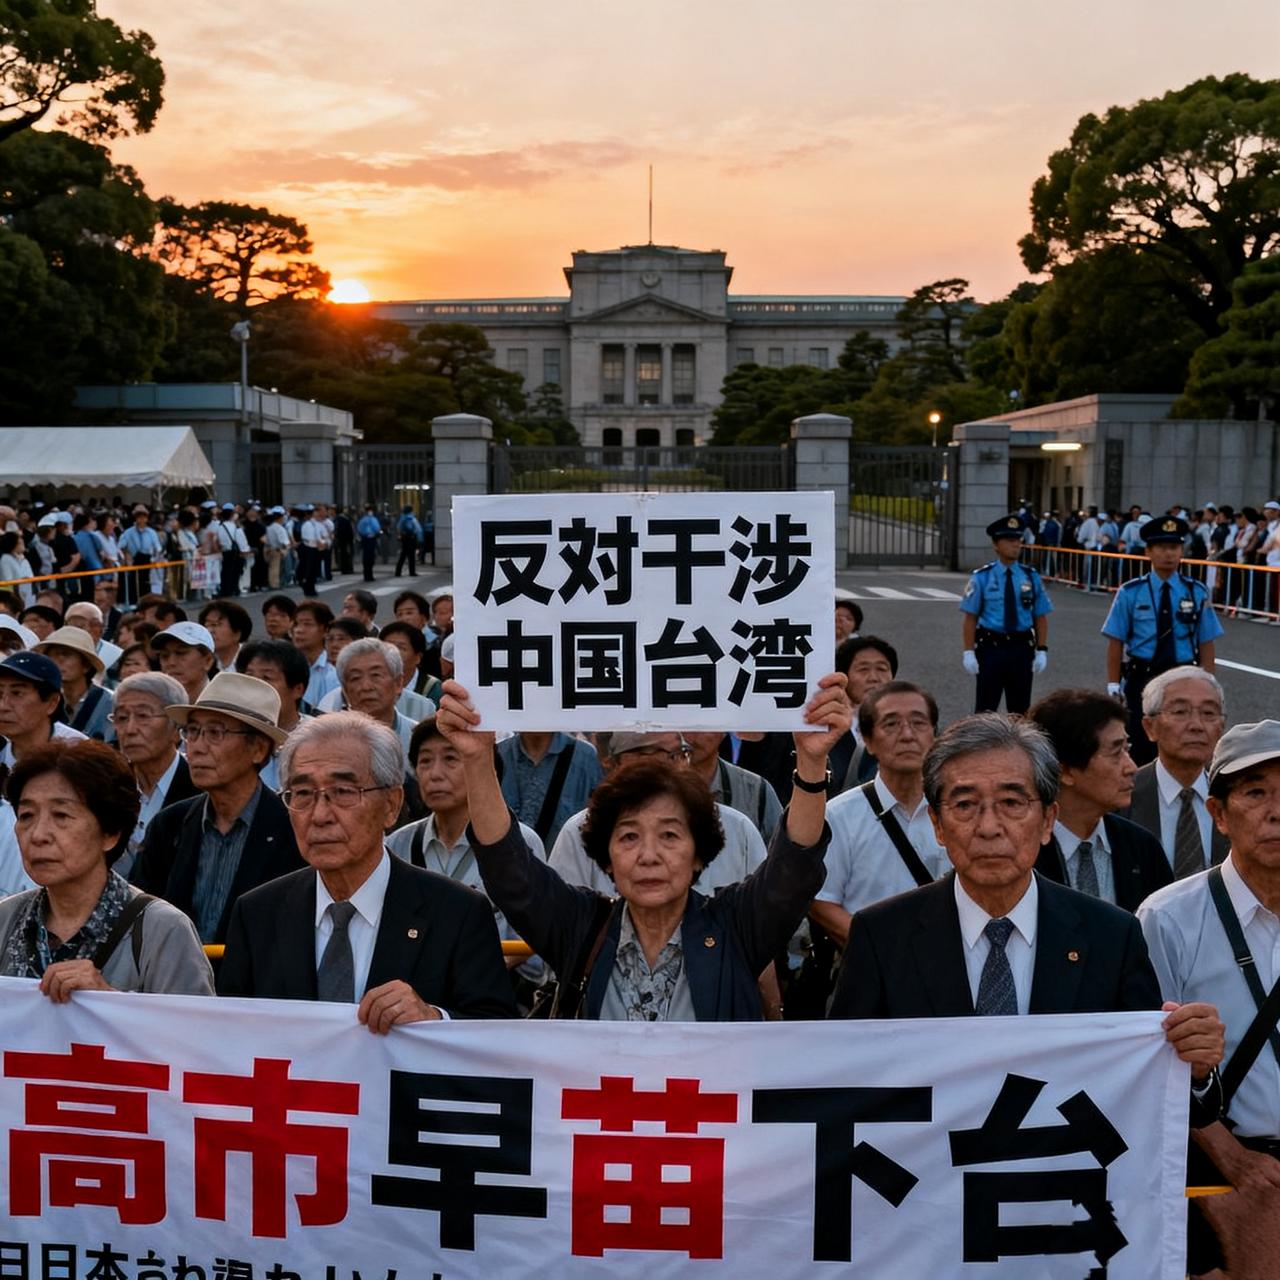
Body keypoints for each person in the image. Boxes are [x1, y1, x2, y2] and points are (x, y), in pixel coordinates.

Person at [826, 713, 1224, 1112]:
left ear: (1048, 819)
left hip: (1063, 1169)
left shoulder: (1111, 936)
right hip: (927, 1169)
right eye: (964, 805)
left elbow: (1147, 1090)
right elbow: (846, 1080)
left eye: (1012, 803)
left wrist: (1194, 1070)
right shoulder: (882, 935)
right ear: (938, 824)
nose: (989, 827)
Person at [438, 674, 850, 1021]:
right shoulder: (582, 928)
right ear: (607, 859)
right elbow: (510, 871)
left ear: (700, 855)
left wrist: (812, 765)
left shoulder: (735, 927)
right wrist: (477, 759)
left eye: (670, 836)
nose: (648, 856)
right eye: (629, 836)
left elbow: (792, 871)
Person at [217, 712, 516, 1022]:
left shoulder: (457, 913)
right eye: (303, 794)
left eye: (343, 792)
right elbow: (233, 1035)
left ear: (391, 805)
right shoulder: (257, 914)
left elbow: (496, 1034)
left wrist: (434, 1019)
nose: (320, 815)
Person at [1138, 720, 1280, 1276]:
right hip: (1220, 1170)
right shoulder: (1167, 918)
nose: (1275, 812)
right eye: (1255, 793)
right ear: (1219, 815)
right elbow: (1151, 1067)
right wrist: (1236, 1162)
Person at [0, 739, 214, 997]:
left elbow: (195, 1033)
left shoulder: (163, 929)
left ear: (110, 833)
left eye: (61, 816)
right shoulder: (7, 919)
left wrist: (108, 999)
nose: (38, 835)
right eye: (26, 816)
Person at [131, 673, 302, 945]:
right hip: (173, 982)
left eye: (215, 732)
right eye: (193, 731)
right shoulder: (170, 825)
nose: (197, 747)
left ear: (258, 749)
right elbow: (139, 916)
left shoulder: (293, 828)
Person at [387, 717, 546, 962]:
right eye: (425, 761)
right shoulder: (396, 845)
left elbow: (534, 946)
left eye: (450, 759)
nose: (435, 774)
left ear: (483, 767)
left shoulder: (521, 844)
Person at [811, 681, 949, 951]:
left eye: (919, 723)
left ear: (934, 735)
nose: (907, 735)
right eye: (891, 724)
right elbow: (821, 901)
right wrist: (878, 951)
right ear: (868, 740)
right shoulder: (838, 816)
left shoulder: (958, 809)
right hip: (870, 969)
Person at [1027, 688, 1172, 911]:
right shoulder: (1022, 854)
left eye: (1127, 749)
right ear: (1065, 771)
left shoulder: (1142, 848)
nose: (1131, 767)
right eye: (1116, 754)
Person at [1103, 515, 1224, 767]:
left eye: (1174, 547)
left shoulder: (1195, 591)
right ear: (1148, 551)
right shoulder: (1131, 591)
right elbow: (1116, 640)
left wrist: (1208, 680)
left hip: (1182, 676)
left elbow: (1206, 641)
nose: (1169, 554)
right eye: (1161, 548)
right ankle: (1137, 803)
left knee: (1183, 741)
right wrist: (1113, 683)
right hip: (1141, 677)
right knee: (1141, 743)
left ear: (1182, 551)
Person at [1123, 667, 1229, 876]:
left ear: (1221, 726)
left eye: (1209, 713)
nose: (1197, 726)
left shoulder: (1236, 798)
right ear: (1149, 727)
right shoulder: (1123, 797)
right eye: (1180, 712)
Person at [960, 514, 1052, 715]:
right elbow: (970, 618)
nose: (1016, 545)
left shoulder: (1030, 576)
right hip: (991, 649)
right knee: (985, 709)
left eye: (1018, 540)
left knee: (1020, 711)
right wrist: (968, 652)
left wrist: (1042, 649)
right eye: (1009, 541)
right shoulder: (982, 577)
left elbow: (1040, 616)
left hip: (1021, 649)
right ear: (996, 544)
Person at [110, 672, 201, 877]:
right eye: (121, 718)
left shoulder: (198, 789)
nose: (130, 729)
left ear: (176, 728)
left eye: (143, 716)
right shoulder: (107, 788)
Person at [496, 728, 604, 850]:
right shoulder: (497, 755)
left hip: (563, 863)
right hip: (505, 861)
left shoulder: (585, 757)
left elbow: (597, 816)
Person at [236, 638, 311, 791]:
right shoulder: (233, 734)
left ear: (298, 689)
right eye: (249, 677)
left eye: (267, 678)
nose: (256, 687)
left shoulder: (317, 737)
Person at [683, 731, 782, 844]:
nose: (689, 734)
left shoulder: (756, 792)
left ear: (724, 731)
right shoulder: (659, 785)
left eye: (704, 722)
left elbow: (782, 856)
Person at [828, 635, 898, 791]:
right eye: (863, 669)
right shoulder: (823, 726)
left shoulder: (910, 727)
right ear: (843, 677)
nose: (874, 678)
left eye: (882, 669)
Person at [34, 625, 113, 741]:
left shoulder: (109, 702)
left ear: (86, 665)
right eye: (52, 656)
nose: (58, 661)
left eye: (65, 654)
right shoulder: (42, 700)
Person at [150, 620, 217, 704]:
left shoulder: (224, 705)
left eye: (180, 653)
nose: (171, 662)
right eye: (164, 655)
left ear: (208, 661)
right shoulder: (153, 705)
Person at [292, 600, 339, 711]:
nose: (299, 630)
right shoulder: (291, 666)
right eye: (296, 624)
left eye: (307, 624)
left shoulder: (332, 671)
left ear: (325, 630)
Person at [64, 600, 123, 674]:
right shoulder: (54, 652)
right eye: (78, 625)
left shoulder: (116, 656)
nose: (87, 629)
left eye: (94, 624)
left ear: (102, 629)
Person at [198, 598, 252, 672]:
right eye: (207, 625)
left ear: (237, 633)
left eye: (216, 624)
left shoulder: (251, 662)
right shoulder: (206, 663)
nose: (209, 630)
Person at [395, 506, 422, 577]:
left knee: (403, 555)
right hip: (411, 538)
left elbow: (399, 527)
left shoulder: (402, 518)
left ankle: (398, 571)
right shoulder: (410, 518)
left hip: (405, 538)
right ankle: (412, 572)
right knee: (411, 556)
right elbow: (415, 529)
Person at [357, 504, 382, 581]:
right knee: (371, 557)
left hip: (364, 539)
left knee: (365, 556)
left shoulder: (362, 520)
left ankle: (366, 574)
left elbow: (359, 529)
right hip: (371, 539)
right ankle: (369, 574)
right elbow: (377, 528)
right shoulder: (373, 519)